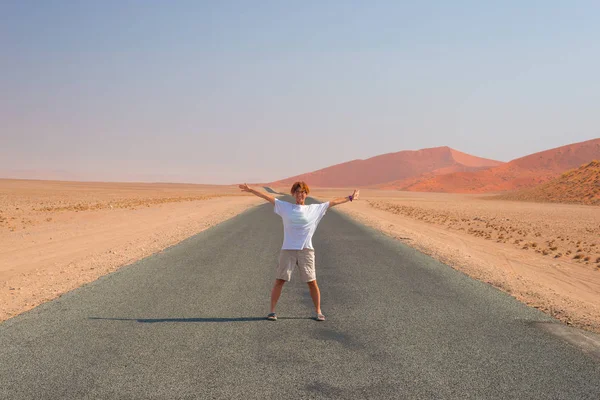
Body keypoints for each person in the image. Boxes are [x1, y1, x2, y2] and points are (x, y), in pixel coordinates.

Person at [238, 181, 359, 321]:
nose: (300, 194)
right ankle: (272, 311)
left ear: (306, 194)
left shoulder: (314, 209)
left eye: (302, 192)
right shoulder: (285, 207)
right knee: (279, 280)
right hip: (288, 249)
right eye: (297, 192)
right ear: (293, 194)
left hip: (306, 250)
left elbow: (332, 202)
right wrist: (251, 189)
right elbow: (268, 197)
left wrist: (350, 198)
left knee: (312, 282)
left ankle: (318, 311)